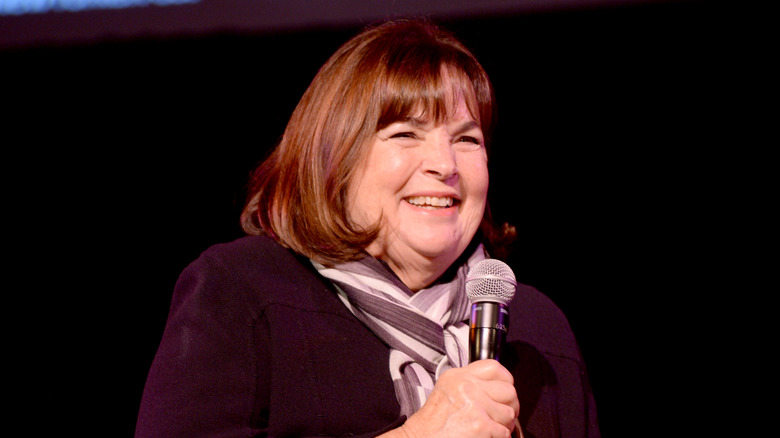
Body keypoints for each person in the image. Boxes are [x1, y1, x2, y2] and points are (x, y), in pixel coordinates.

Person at [135, 19, 599, 438]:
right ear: (335, 159)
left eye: (466, 139)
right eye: (405, 134)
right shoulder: (242, 291)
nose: (445, 165)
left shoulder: (537, 329)